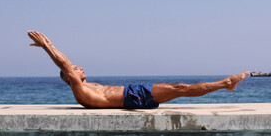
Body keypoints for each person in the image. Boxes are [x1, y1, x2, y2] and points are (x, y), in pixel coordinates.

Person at [28, 31, 249, 109]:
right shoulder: (80, 91)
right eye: (76, 69)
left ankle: (226, 85)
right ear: (70, 77)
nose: (80, 67)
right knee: (181, 88)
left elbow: (67, 64)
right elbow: (65, 65)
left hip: (133, 92)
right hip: (133, 97)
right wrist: (47, 45)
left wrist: (51, 46)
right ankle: (226, 84)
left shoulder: (88, 87)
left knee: (180, 88)